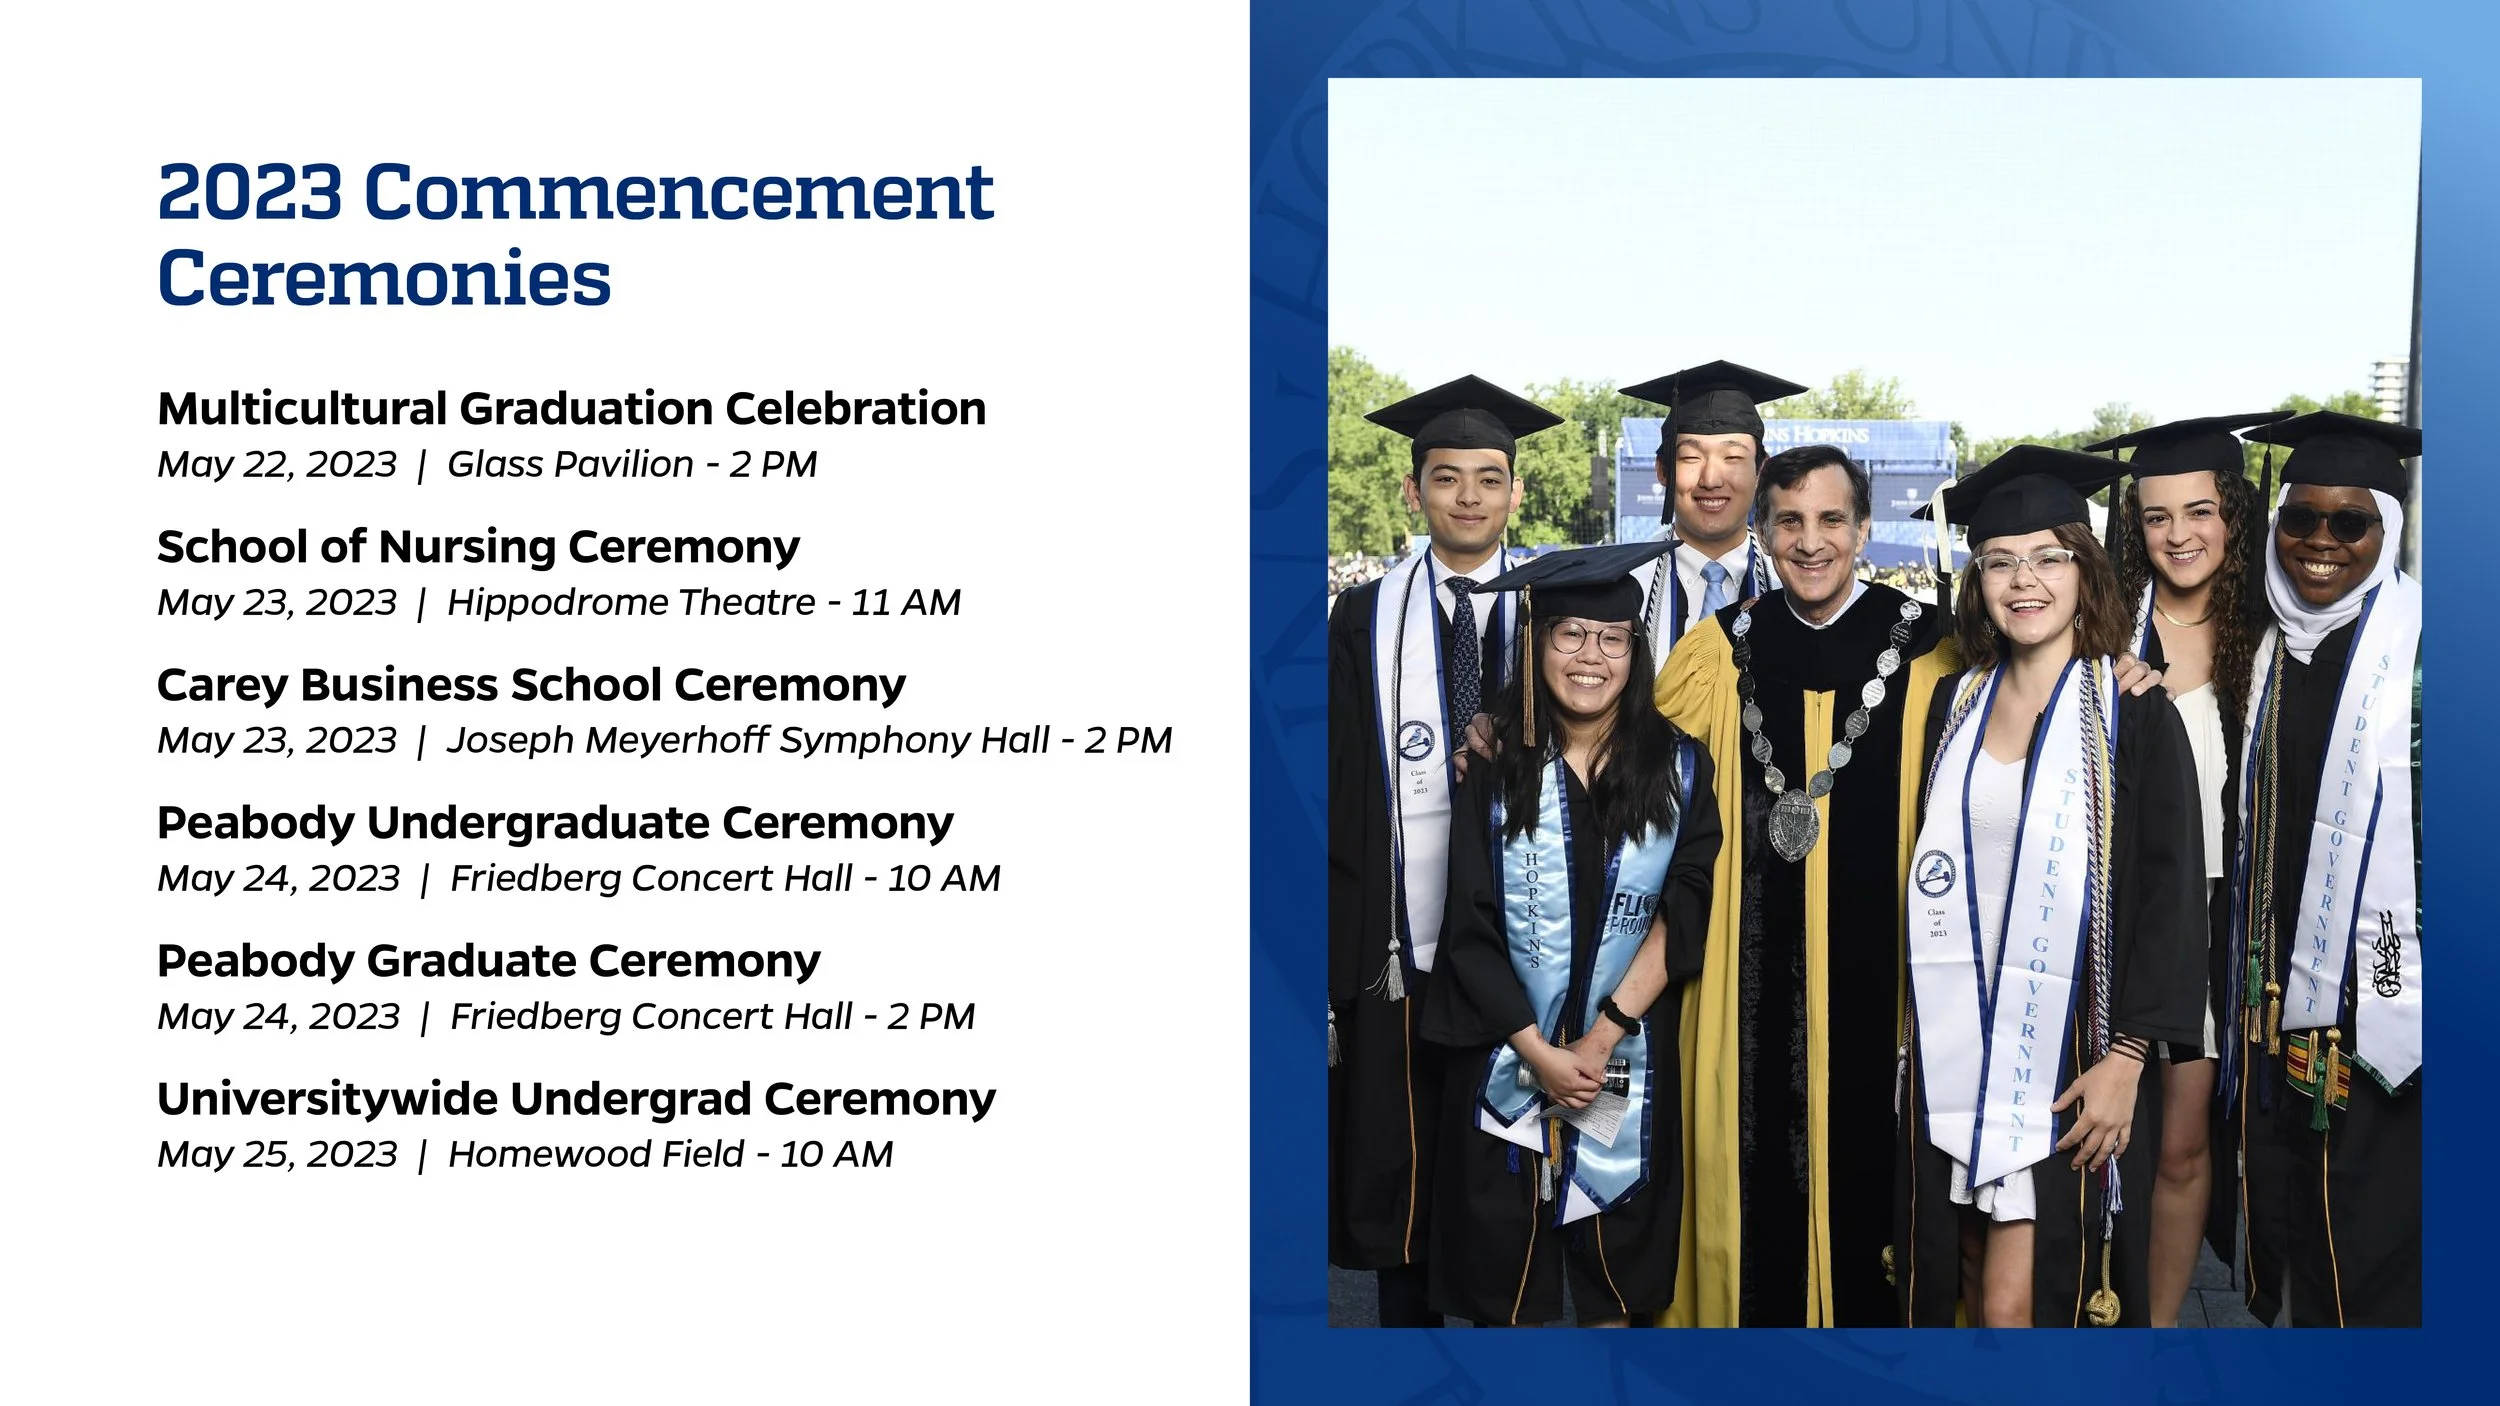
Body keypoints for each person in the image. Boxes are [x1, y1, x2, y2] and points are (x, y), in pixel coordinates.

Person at [1896, 446, 2208, 1328]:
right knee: (1957, 1289)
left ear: (2085, 567)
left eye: (2047, 558)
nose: (2023, 581)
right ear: (1976, 579)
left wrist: (2129, 1059)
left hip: (2067, 1057)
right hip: (1956, 1049)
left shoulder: (2133, 714)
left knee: (2016, 1311)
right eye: (1999, 561)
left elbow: (2170, 898)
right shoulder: (1951, 705)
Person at [1650, 443, 1961, 1326]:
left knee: (1884, 1203)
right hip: (1743, 992)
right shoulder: (1717, 654)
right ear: (1762, 533)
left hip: (1893, 991)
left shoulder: (1934, 652)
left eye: (1831, 521)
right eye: (1789, 522)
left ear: (1864, 531)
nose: (1811, 541)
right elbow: (1639, 787)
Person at [1420, 541, 1722, 1325]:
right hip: (1507, 1054)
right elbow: (1469, 925)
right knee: (1505, 1291)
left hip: (1621, 1061)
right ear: (1537, 643)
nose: (1591, 656)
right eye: (1570, 635)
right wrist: (1539, 1053)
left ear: (1635, 651)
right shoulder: (1495, 766)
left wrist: (1593, 1044)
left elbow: (1684, 910)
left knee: (1615, 1287)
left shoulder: (1682, 769)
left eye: (1612, 638)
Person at [1328, 374, 1564, 1325]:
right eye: (1446, 477)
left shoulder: (1563, 616)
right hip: (1398, 942)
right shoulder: (1359, 619)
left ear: (1516, 491)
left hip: (1527, 942)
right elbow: (1339, 784)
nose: (1468, 496)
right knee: (1404, 1169)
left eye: (1489, 477)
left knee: (1505, 1173)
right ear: (1412, 492)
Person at [2083, 412, 2284, 1326]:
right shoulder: (2105, 634)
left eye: (2199, 512)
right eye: (2157, 516)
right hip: (2122, 908)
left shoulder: (2275, 639)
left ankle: (2158, 1334)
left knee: (2183, 1145)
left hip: (2223, 914)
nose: (2178, 535)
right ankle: (2088, 1302)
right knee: (2103, 1129)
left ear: (2234, 517)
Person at [2224, 411, 2421, 1328]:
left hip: (2388, 995)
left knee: (2378, 1228)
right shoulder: (2266, 652)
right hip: (2280, 992)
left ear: (2387, 532)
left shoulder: (2423, 655)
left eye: (2351, 523)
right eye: (2300, 518)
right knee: (2292, 1209)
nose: (2320, 542)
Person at [1618, 362, 1808, 664]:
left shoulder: (1796, 585)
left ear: (1762, 469)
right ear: (1663, 471)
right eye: (1691, 457)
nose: (1711, 479)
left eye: (1732, 457)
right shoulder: (1622, 584)